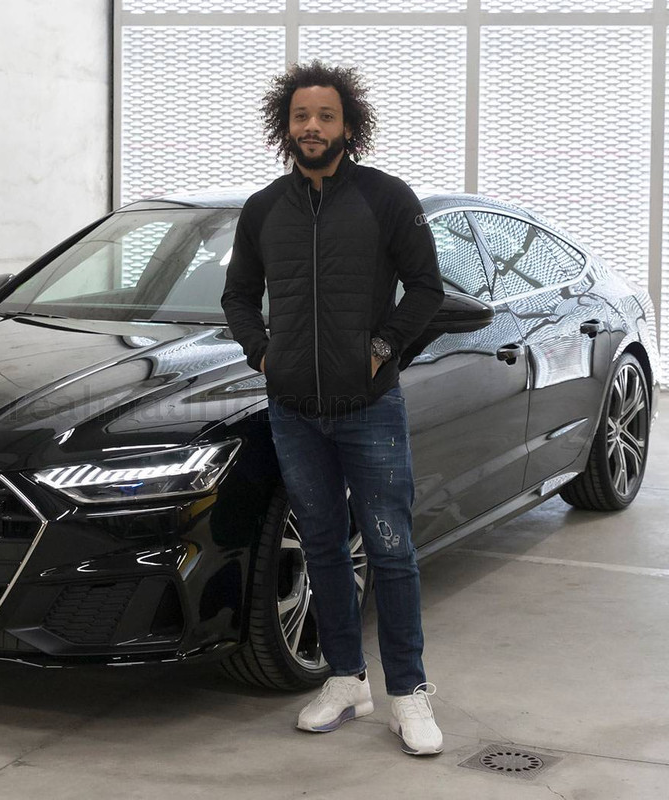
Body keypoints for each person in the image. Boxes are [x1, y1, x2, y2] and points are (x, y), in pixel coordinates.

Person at [220, 60, 446, 756]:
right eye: (300, 117)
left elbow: (428, 290)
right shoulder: (264, 209)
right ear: (284, 127)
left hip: (368, 407)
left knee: (391, 548)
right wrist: (264, 354)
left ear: (349, 124)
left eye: (325, 116)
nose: (312, 127)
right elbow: (236, 296)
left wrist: (383, 347)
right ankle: (347, 679)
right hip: (292, 409)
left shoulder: (385, 199)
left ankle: (409, 693)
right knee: (322, 546)